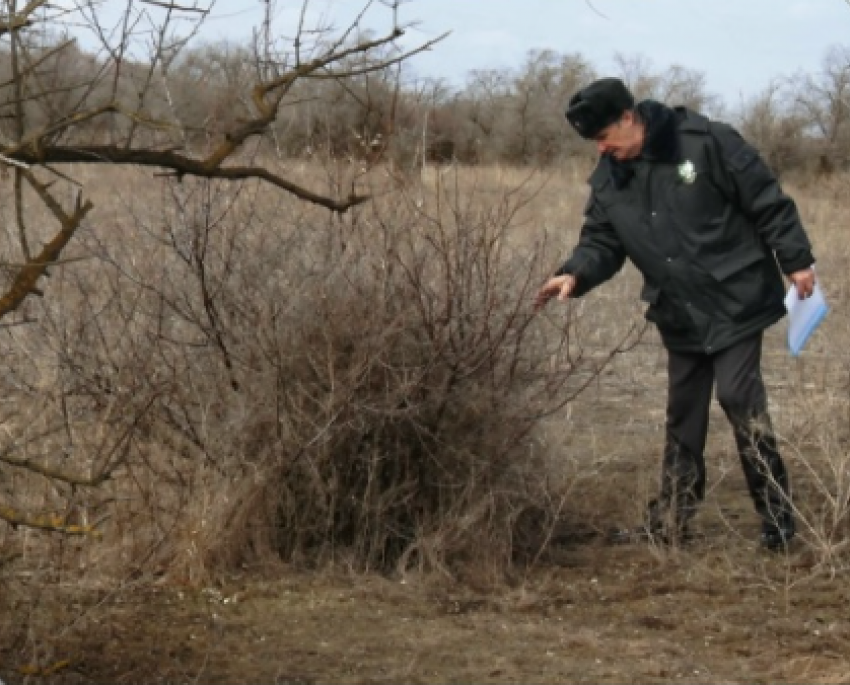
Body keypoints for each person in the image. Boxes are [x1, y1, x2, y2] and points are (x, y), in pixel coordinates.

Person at [534, 77, 816, 551]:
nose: (602, 149)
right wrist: (575, 274)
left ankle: (778, 523)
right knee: (683, 416)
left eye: (605, 136)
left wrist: (796, 260)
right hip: (679, 311)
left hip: (735, 298)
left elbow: (767, 200)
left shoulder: (707, 142)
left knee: (738, 399)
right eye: (594, 142)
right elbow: (601, 240)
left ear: (628, 117)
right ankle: (670, 522)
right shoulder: (609, 177)